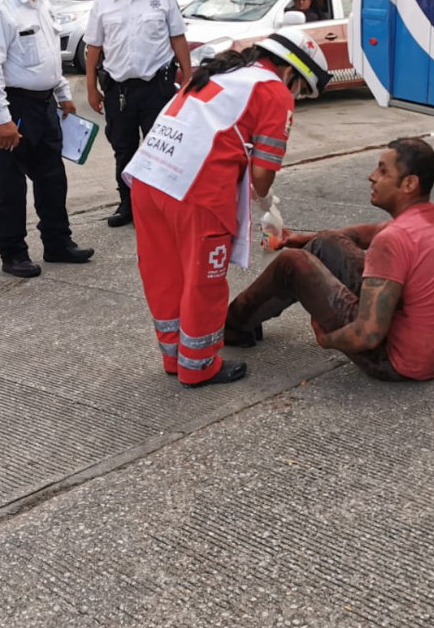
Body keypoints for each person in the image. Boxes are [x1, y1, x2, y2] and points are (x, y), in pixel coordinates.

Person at [124, 29, 332, 387]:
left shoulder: (222, 72)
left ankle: (174, 358)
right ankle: (199, 366)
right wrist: (267, 203)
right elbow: (263, 175)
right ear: (291, 73)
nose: (296, 96)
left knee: (164, 275)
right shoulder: (273, 90)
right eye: (301, 89)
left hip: (148, 177)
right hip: (197, 190)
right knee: (205, 280)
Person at [225, 138, 434, 382]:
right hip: (424, 350)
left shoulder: (393, 240)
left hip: (394, 361)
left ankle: (231, 325)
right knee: (325, 243)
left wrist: (328, 340)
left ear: (409, 184)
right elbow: (366, 233)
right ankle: (248, 318)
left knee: (293, 263)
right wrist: (305, 238)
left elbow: (367, 335)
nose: (372, 176)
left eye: (383, 171)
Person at [0, 0, 94, 278]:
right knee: (11, 185)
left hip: (44, 107)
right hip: (13, 108)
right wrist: (1, 119)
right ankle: (13, 253)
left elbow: (47, 56)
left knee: (53, 179)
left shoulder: (40, 1)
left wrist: (63, 95)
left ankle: (57, 243)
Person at [84, 0, 193, 228]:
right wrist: (91, 87)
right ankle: (128, 204)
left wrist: (188, 79)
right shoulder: (103, 1)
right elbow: (93, 47)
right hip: (118, 90)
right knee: (124, 149)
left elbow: (177, 37)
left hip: (157, 88)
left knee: (160, 149)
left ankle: (159, 205)